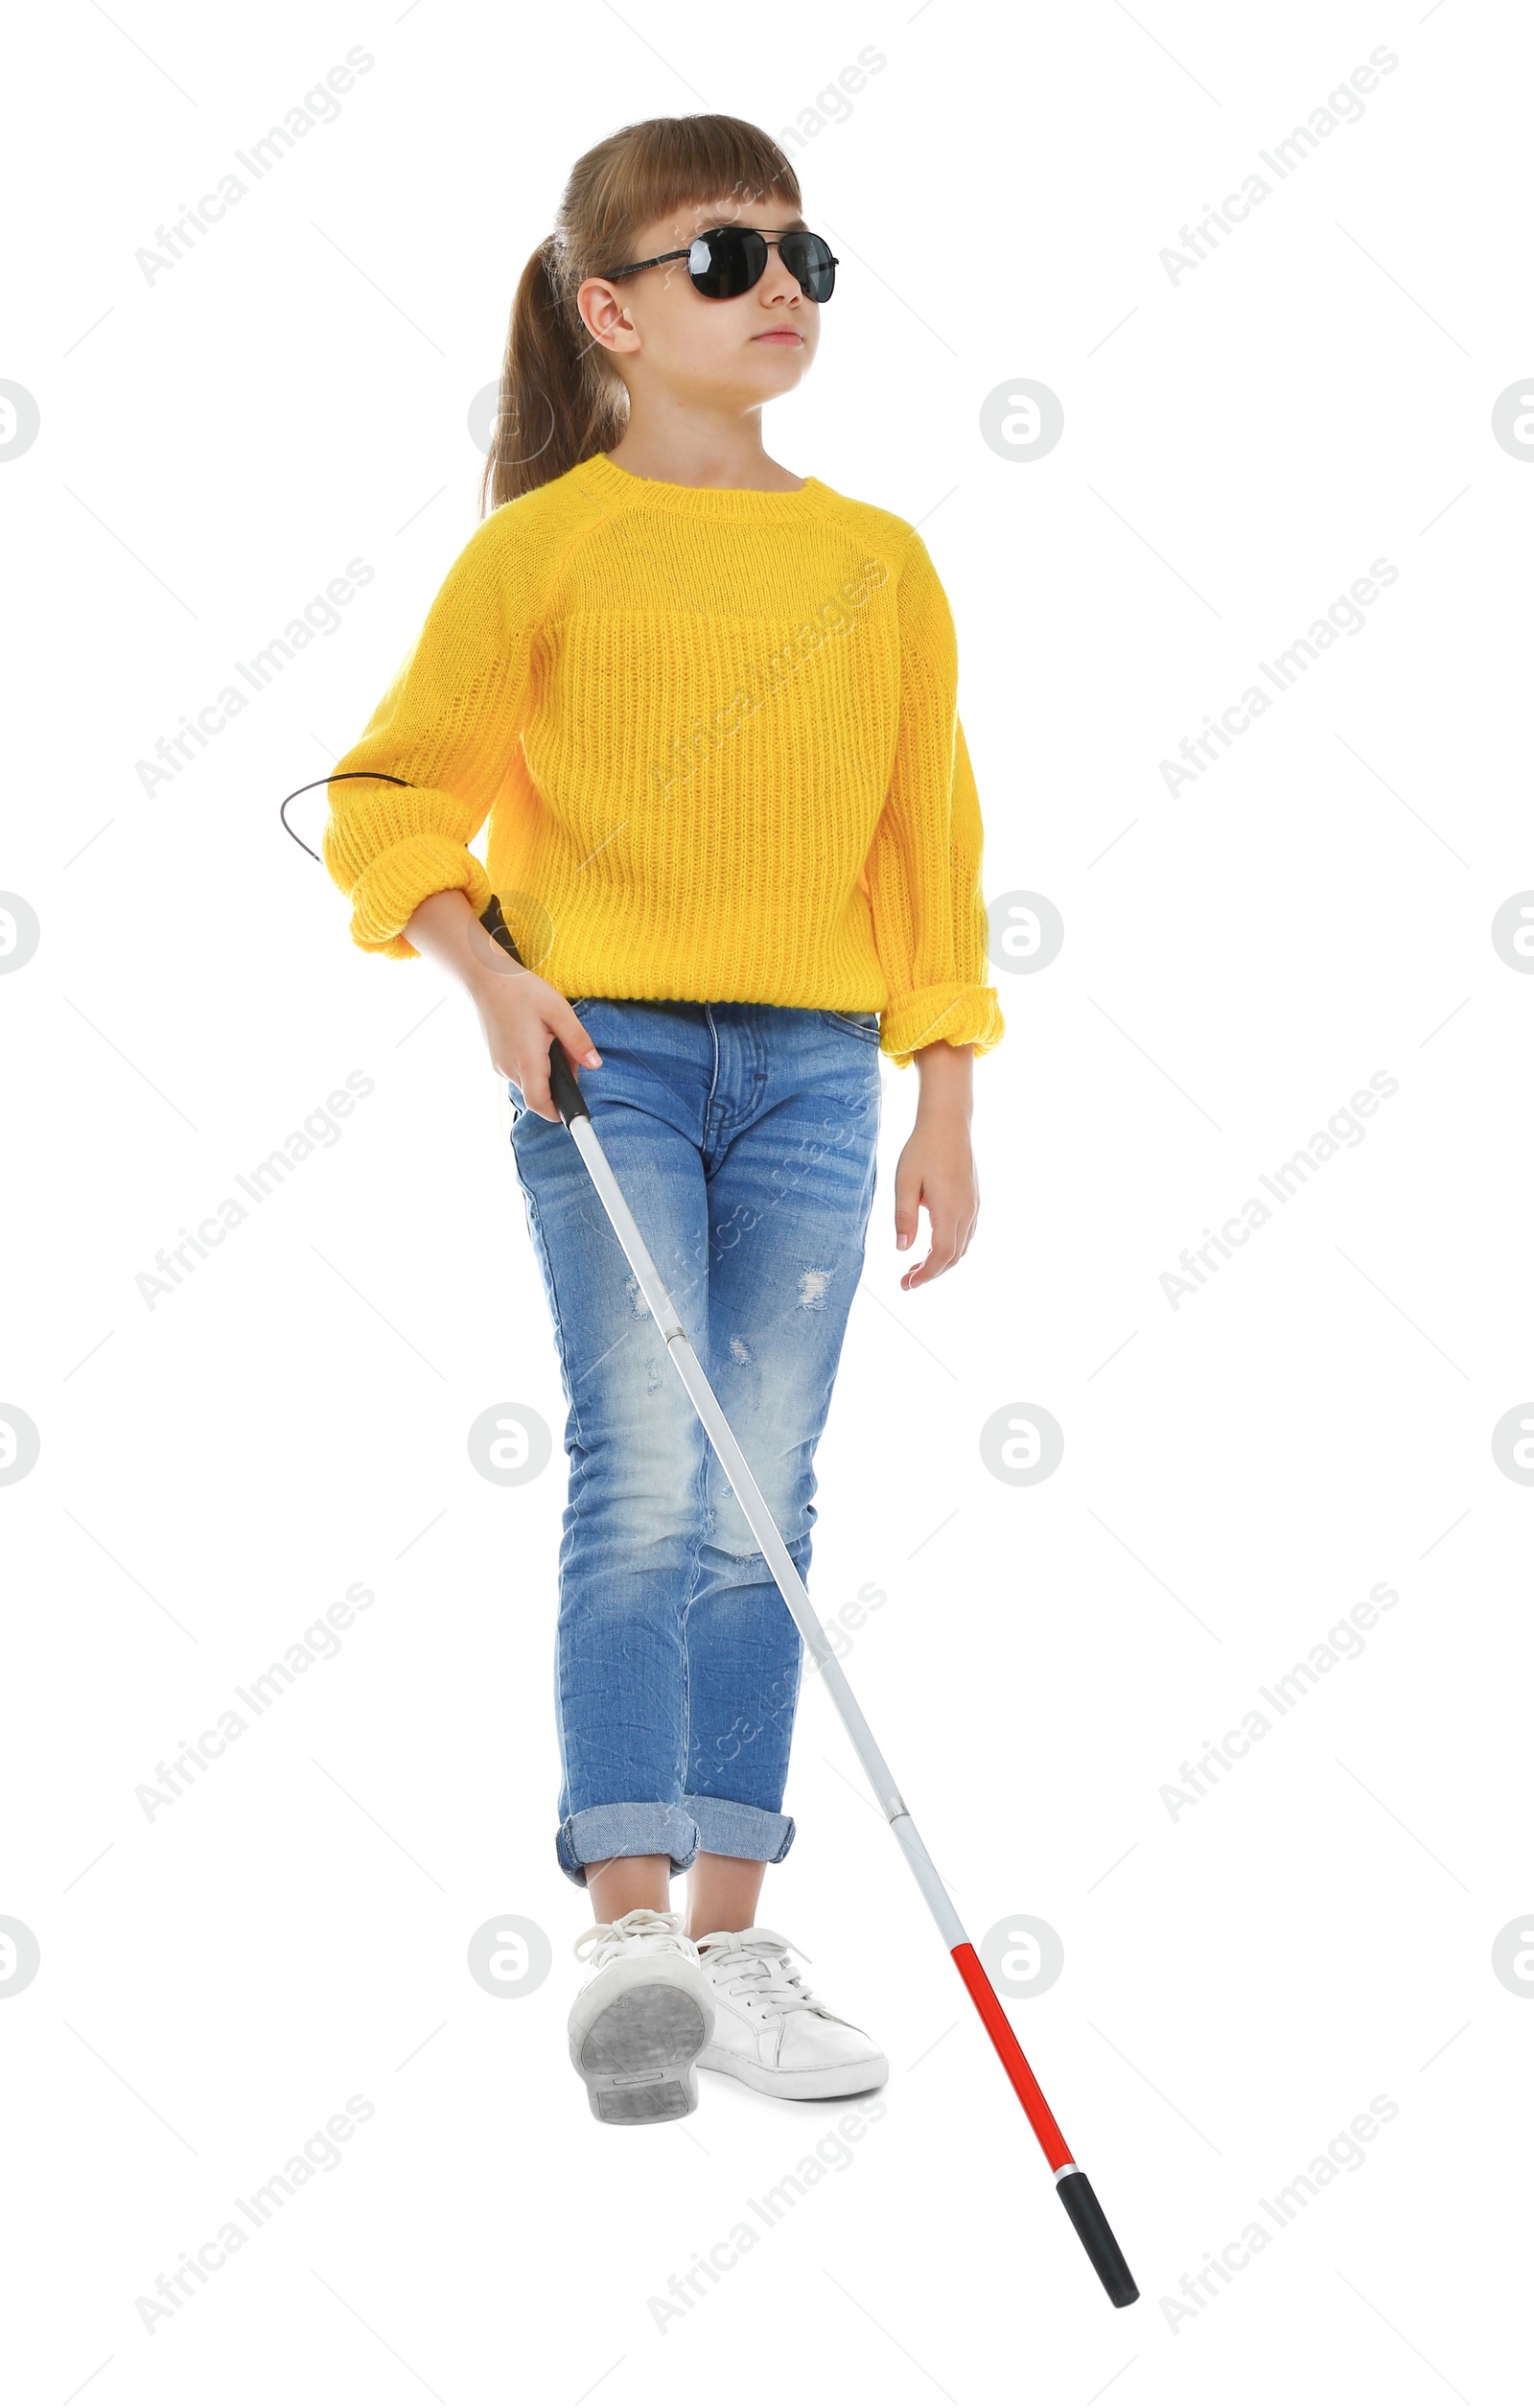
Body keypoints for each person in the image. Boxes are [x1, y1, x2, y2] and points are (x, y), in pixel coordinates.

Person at [321, 112, 1004, 2127]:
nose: (779, 286)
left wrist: (941, 1092)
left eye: (803, 254)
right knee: (648, 1452)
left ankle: (729, 1934)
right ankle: (624, 1930)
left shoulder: (876, 559)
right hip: (597, 1048)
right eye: (724, 259)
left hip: (810, 1061)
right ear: (610, 312)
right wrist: (493, 975)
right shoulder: (541, 546)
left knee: (767, 1477)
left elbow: (927, 853)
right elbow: (384, 800)